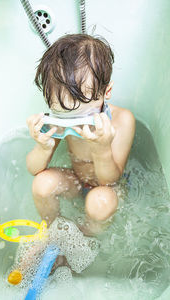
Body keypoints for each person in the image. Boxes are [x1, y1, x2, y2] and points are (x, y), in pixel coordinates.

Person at [26, 34, 135, 236]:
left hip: (109, 187)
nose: (71, 125)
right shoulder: (64, 114)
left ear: (107, 92)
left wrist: (102, 149)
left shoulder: (123, 121)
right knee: (41, 184)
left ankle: (87, 239)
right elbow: (34, 169)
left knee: (100, 202)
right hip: (75, 179)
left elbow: (109, 181)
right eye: (63, 116)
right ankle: (54, 233)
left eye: (82, 117)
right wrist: (43, 147)